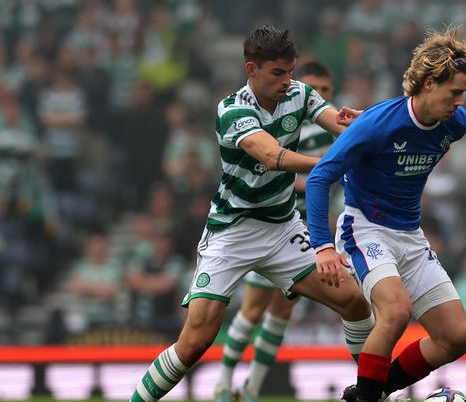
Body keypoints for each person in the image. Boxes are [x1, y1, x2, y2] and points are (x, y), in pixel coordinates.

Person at [129, 25, 374, 402]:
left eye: (290, 72)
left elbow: (339, 125)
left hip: (281, 229)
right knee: (195, 340)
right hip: (232, 230)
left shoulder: (300, 94)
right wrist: (323, 166)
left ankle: (373, 395)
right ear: (251, 69)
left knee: (354, 303)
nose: (287, 81)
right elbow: (270, 155)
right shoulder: (232, 109)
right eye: (277, 73)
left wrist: (372, 127)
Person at [306, 27, 466, 402]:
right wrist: (322, 246)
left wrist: (371, 118)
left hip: (410, 235)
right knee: (396, 311)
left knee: (457, 336)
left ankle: (371, 393)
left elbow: (407, 126)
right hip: (365, 229)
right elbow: (320, 178)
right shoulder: (376, 126)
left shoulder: (455, 125)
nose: (460, 103)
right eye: (455, 93)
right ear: (429, 83)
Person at [214, 61, 346, 402]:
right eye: (314, 88)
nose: (321, 96)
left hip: (302, 231)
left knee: (284, 309)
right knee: (254, 308)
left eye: (327, 90)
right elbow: (277, 165)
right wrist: (321, 173)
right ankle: (223, 385)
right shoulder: (282, 128)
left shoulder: (327, 133)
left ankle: (252, 389)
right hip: (271, 223)